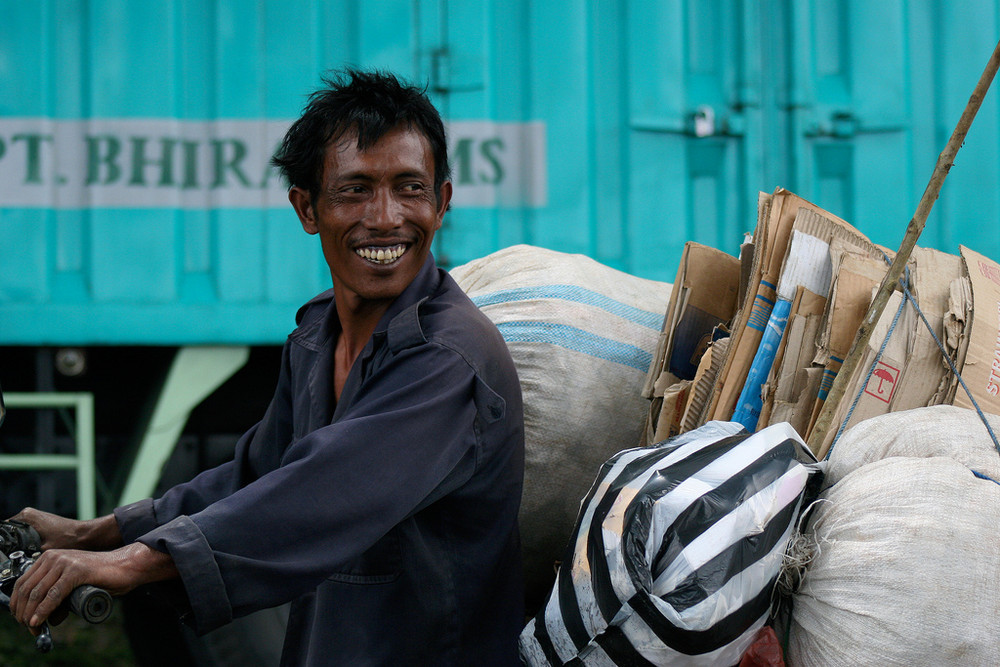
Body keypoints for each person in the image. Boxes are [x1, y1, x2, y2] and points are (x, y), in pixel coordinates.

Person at [8, 69, 526, 665]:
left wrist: (131, 563)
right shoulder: (316, 337)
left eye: (409, 188)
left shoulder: (448, 358)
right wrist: (94, 533)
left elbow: (319, 495)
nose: (385, 218)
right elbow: (256, 477)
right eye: (354, 190)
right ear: (306, 208)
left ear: (442, 203)